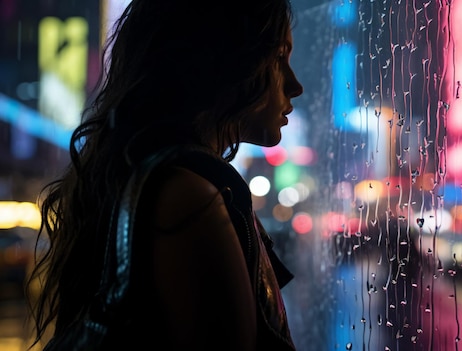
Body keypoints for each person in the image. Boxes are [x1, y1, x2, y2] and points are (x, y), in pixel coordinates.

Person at [26, 0, 304, 349]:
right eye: (279, 58)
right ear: (224, 61)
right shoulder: (188, 198)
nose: (295, 85)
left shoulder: (154, 179)